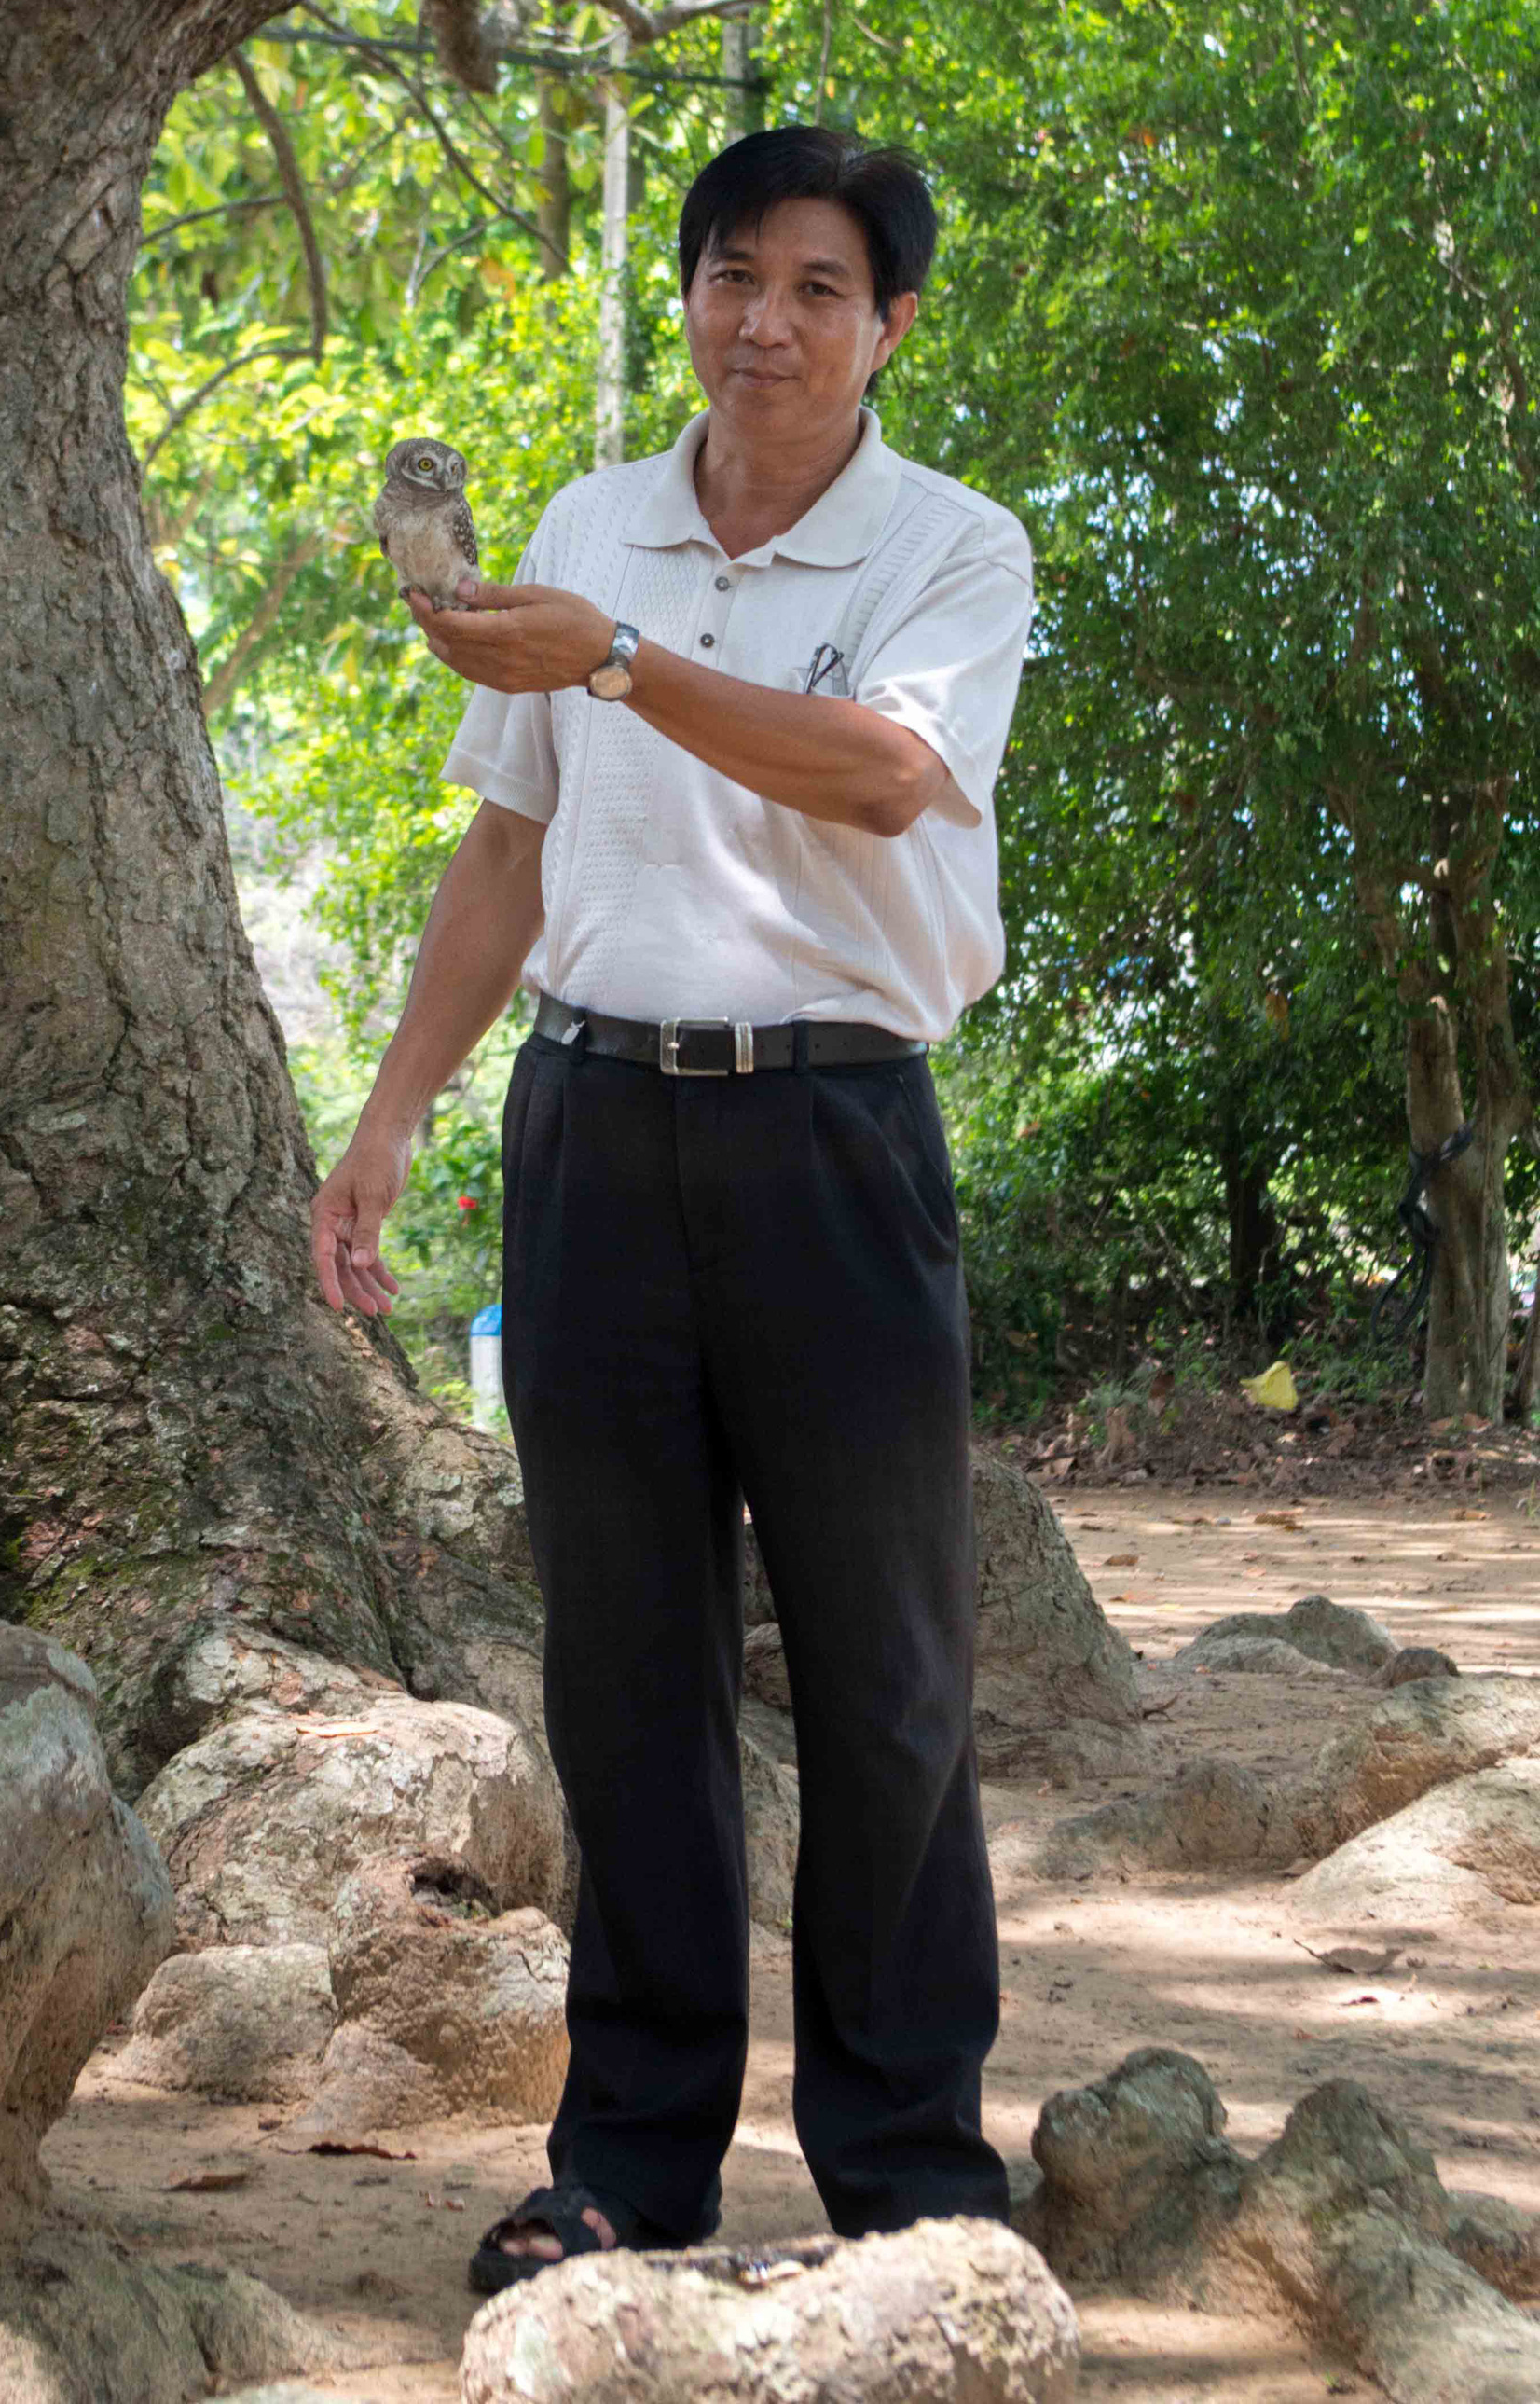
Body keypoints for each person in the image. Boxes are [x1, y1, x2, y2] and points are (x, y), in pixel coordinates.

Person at [310, 124, 1033, 2291]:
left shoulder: (948, 545)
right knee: (623, 1668)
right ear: (693, 297)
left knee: (886, 1668)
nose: (765, 320)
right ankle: (625, 2156)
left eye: (819, 285)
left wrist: (616, 657)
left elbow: (883, 776)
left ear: (890, 323)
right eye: (734, 274)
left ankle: (906, 2168)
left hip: (833, 1134)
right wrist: (389, 1116)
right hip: (592, 1129)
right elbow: (506, 854)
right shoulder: (587, 524)